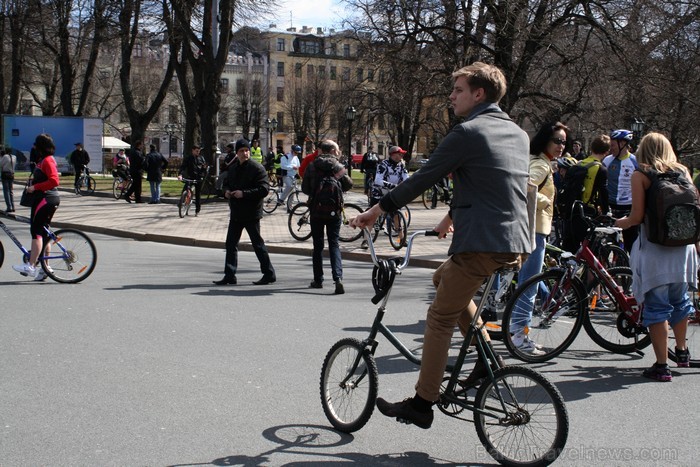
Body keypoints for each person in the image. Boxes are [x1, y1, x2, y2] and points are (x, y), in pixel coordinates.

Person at [351, 62, 531, 429]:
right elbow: (493, 183)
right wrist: (450, 218)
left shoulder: (467, 132)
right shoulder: (516, 134)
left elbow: (423, 178)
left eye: (458, 90)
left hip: (481, 242)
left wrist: (376, 211)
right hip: (513, 240)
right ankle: (483, 357)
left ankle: (421, 402)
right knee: (441, 278)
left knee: (439, 318)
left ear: (478, 94)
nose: (451, 97)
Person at [614, 132, 697, 381]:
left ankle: (661, 365)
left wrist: (621, 222)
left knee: (657, 306)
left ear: (643, 150)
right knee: (680, 301)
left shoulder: (642, 175)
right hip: (684, 249)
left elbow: (637, 217)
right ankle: (681, 353)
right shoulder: (683, 171)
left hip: (656, 249)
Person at [509, 122, 564, 355]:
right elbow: (523, 185)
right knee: (528, 286)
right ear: (545, 141)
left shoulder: (539, 162)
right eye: (557, 141)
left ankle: (518, 331)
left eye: (564, 141)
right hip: (535, 230)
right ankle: (520, 336)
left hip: (531, 229)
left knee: (528, 281)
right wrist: (545, 201)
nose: (562, 146)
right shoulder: (541, 164)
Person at [214, 139, 276, 286]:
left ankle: (269, 273)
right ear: (237, 153)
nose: (245, 153)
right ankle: (230, 275)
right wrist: (226, 192)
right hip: (236, 212)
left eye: (247, 150)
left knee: (257, 244)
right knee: (230, 244)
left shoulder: (257, 168)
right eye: (241, 151)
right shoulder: (234, 168)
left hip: (251, 213)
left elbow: (264, 189)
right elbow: (226, 184)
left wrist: (244, 193)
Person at [301, 139, 353, 294]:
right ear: (331, 151)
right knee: (334, 244)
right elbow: (348, 184)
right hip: (334, 211)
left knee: (317, 246)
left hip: (316, 210)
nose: (338, 153)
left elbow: (305, 188)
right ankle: (338, 278)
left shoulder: (312, 166)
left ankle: (318, 280)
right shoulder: (337, 167)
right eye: (336, 150)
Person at [12, 133, 60, 282]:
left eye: (36, 144)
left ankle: (31, 266)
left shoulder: (47, 160)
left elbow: (54, 180)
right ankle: (45, 268)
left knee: (37, 232)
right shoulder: (43, 160)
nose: (33, 146)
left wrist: (35, 187)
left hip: (45, 199)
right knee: (44, 234)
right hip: (44, 199)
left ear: (41, 146)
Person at [603, 129, 638, 252]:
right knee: (607, 246)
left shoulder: (635, 161)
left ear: (622, 143)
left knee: (631, 245)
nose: (610, 149)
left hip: (628, 208)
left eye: (613, 145)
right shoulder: (607, 161)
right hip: (611, 207)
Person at [178, 143, 207, 215]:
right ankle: (181, 202)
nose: (198, 152)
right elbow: (183, 167)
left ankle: (197, 209)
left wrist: (204, 169)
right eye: (196, 151)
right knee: (185, 189)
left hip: (198, 178)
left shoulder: (201, 158)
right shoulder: (188, 158)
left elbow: (204, 169)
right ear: (192, 151)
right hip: (190, 177)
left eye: (199, 151)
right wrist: (180, 175)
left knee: (198, 194)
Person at [1, 147, 17, 212]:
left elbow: (0, 164)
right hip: (11, 174)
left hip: (5, 174)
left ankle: (9, 207)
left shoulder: (5, 156)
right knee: (11, 191)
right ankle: (13, 206)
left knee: (6, 191)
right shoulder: (14, 157)